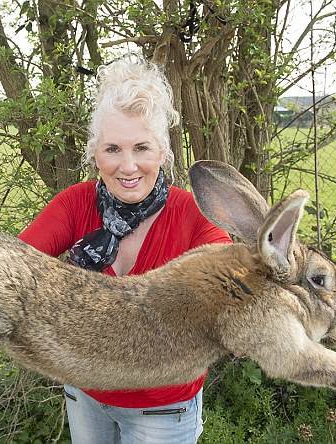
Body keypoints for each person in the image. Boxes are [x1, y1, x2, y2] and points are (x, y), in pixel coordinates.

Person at [15, 56, 232, 443]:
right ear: (94, 153)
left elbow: (227, 293)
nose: (128, 166)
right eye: (113, 149)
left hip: (163, 408)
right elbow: (8, 269)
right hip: (86, 392)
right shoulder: (75, 204)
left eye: (142, 148)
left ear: (162, 153)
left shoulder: (195, 216)